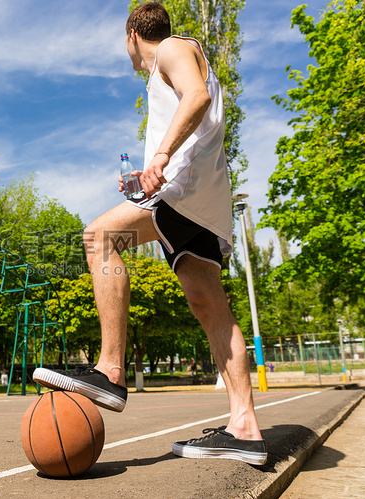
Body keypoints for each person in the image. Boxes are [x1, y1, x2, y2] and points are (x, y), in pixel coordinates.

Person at [33, 2, 266, 465]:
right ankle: (245, 427)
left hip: (184, 191)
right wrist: (148, 173)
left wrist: (159, 158)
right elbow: (197, 119)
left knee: (100, 237)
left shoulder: (174, 50)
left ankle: (110, 371)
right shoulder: (178, 61)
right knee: (208, 303)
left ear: (131, 37)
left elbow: (196, 97)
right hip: (205, 202)